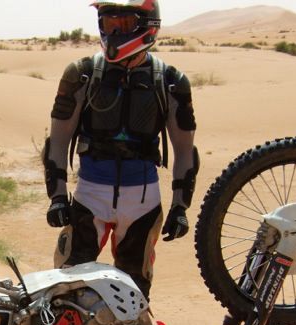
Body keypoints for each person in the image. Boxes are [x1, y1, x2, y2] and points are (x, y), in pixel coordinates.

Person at [43, 0, 199, 299]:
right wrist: (58, 197)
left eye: (123, 24)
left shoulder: (171, 81)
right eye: (109, 23)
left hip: (142, 201)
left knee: (134, 294)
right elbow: (57, 140)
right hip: (90, 195)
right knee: (65, 288)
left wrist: (181, 207)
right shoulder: (81, 73)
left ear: (148, 25)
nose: (114, 32)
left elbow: (185, 150)